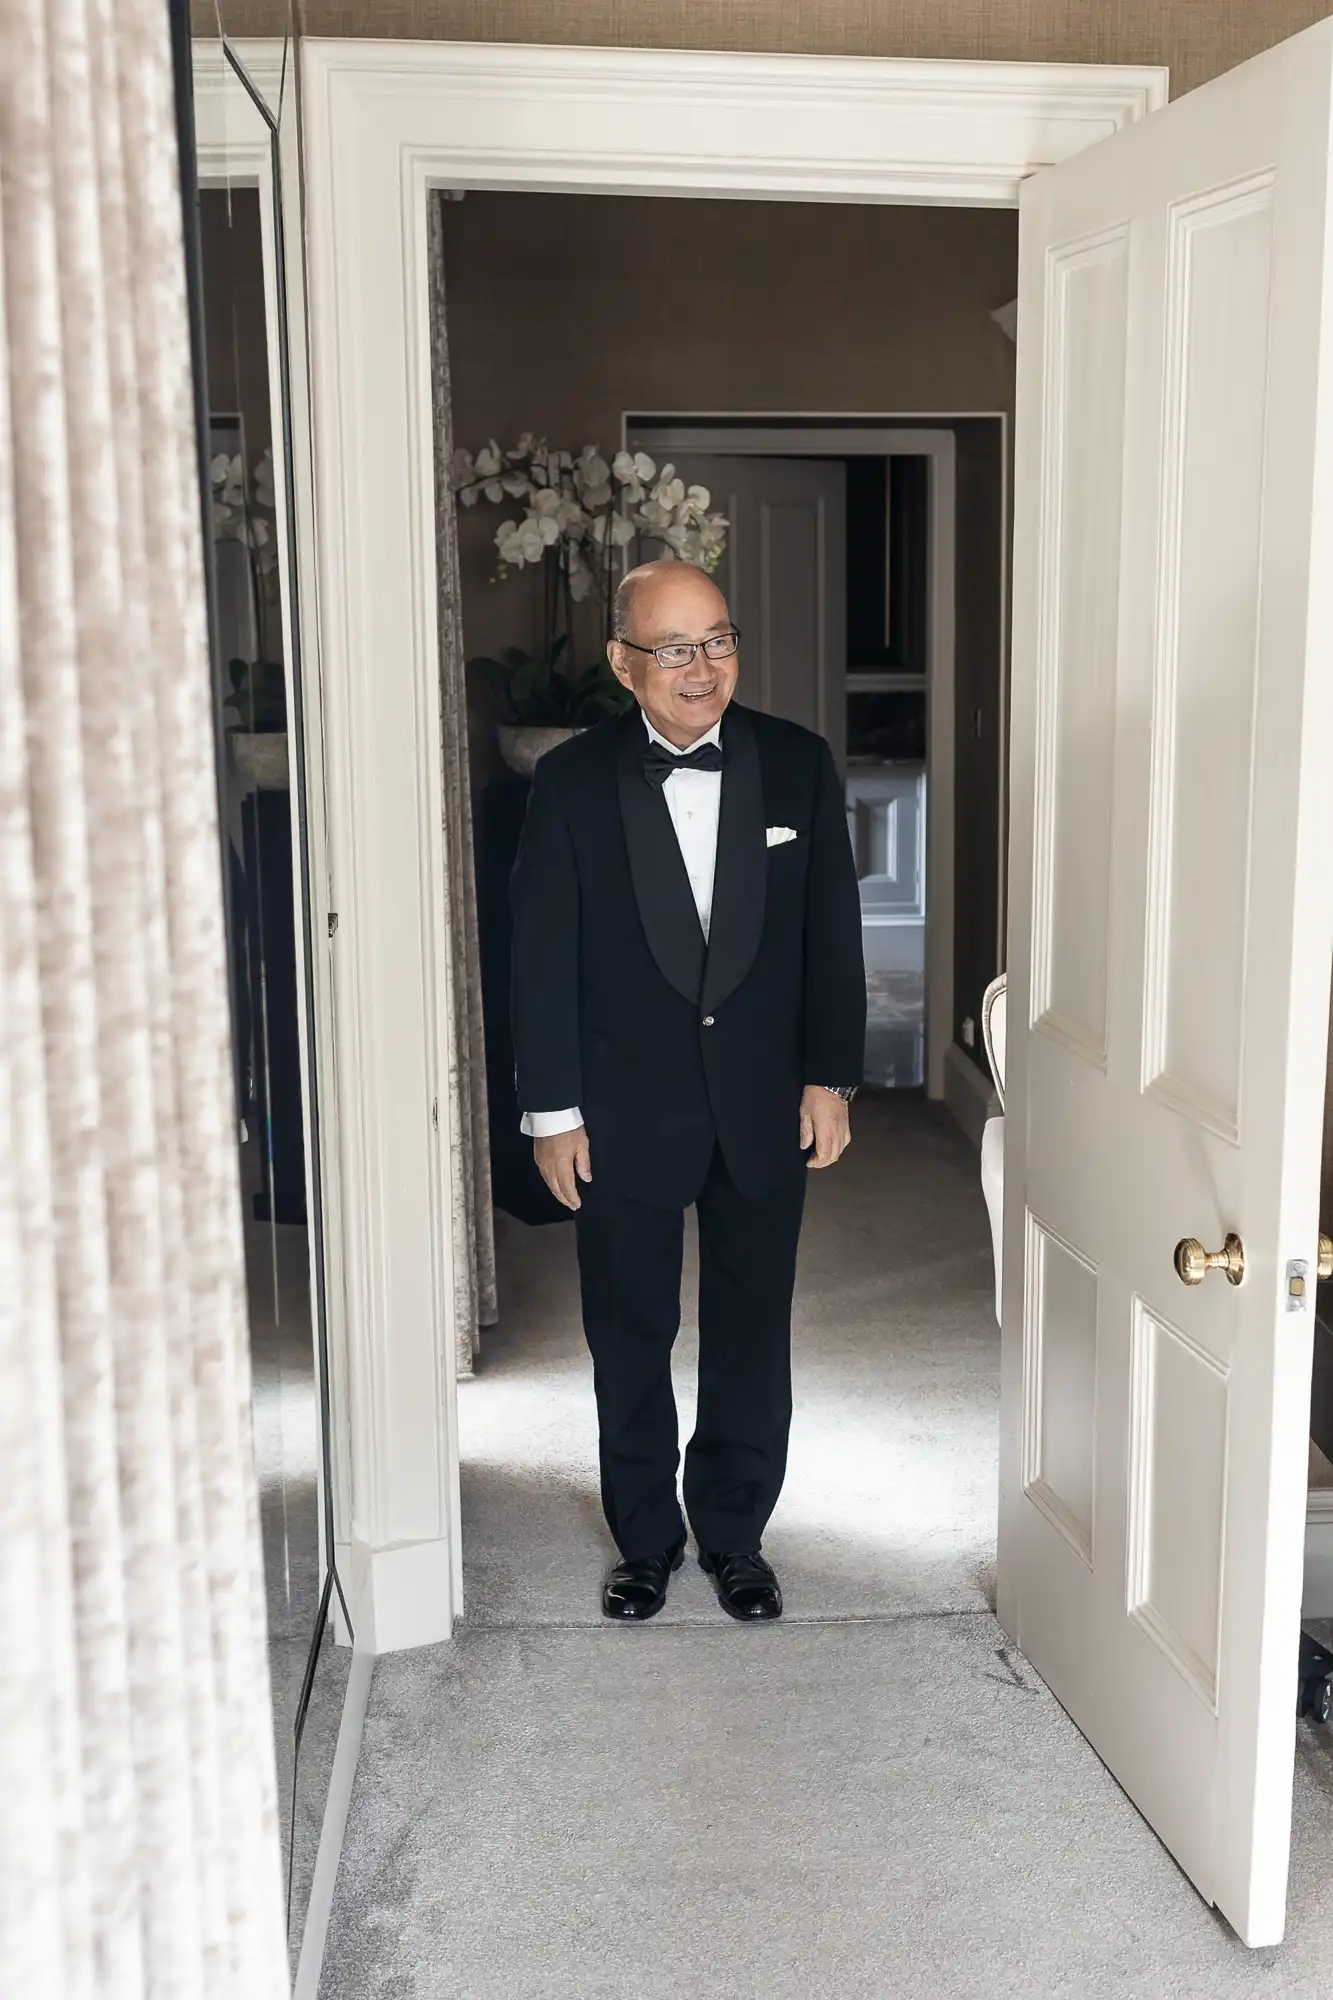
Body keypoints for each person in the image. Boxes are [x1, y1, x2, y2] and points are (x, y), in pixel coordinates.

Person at [510, 558, 866, 1622]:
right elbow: (541, 958)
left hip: (764, 1101)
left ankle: (735, 1532)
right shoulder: (571, 783)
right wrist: (552, 1110)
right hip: (619, 1109)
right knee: (629, 1326)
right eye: (674, 647)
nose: (702, 666)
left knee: (753, 1323)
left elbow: (829, 938)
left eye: (717, 638)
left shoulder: (797, 766)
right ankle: (645, 1540)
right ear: (624, 663)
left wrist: (829, 1075)